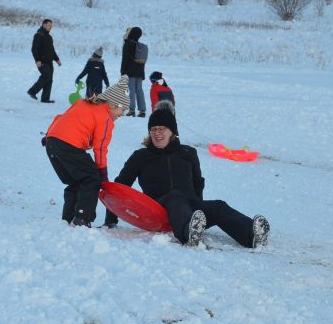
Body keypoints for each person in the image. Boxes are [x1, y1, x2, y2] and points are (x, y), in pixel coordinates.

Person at [102, 101, 270, 248]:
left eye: (162, 129)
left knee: (218, 206)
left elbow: (198, 182)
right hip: (158, 210)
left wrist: (198, 210)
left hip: (188, 207)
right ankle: (188, 233)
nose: (157, 133)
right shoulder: (141, 156)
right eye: (153, 130)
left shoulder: (188, 153)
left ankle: (251, 235)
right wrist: (111, 219)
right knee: (175, 196)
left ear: (172, 131)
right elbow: (121, 186)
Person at [43, 76, 131, 227]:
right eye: (122, 109)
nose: (122, 114)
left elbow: (60, 118)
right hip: (69, 144)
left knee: (77, 181)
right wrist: (102, 173)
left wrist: (49, 136)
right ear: (112, 105)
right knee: (91, 179)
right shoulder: (105, 117)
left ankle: (68, 218)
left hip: (52, 142)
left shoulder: (82, 103)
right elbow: (101, 146)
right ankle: (82, 218)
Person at [28, 19, 62, 103]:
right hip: (42, 62)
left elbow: (52, 50)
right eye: (49, 25)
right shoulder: (38, 35)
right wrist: (37, 60)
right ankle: (32, 91)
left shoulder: (49, 37)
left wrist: (57, 59)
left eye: (51, 26)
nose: (50, 27)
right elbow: (34, 49)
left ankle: (45, 98)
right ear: (44, 25)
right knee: (46, 76)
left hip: (49, 62)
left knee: (49, 79)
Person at [120, 26, 147, 118]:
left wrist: (122, 71)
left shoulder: (128, 44)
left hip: (130, 71)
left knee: (131, 90)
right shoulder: (139, 45)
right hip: (140, 72)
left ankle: (132, 110)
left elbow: (125, 59)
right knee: (139, 90)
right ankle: (142, 110)